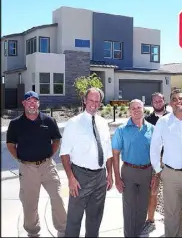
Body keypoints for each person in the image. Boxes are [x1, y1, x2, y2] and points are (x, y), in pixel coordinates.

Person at [6, 91, 66, 237]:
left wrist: (49, 155)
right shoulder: (15, 124)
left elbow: (56, 140)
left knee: (57, 197)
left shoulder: (48, 121)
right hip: (28, 169)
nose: (32, 104)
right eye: (29, 101)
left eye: (35, 101)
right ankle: (33, 232)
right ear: (24, 104)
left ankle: (63, 229)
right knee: (30, 204)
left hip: (47, 166)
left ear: (39, 103)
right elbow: (10, 144)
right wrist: (20, 159)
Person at [60, 87, 113, 237]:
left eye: (97, 101)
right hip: (80, 176)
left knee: (95, 219)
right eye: (91, 100)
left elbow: (108, 151)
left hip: (100, 177)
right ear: (84, 100)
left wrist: (110, 175)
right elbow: (64, 154)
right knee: (74, 219)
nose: (94, 104)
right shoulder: (73, 123)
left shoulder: (103, 123)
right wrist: (71, 178)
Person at [150, 89, 182, 237]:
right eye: (174, 99)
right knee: (172, 214)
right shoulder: (163, 122)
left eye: (181, 98)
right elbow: (155, 146)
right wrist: (159, 170)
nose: (178, 101)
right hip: (171, 175)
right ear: (170, 103)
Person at [112, 99, 155, 237]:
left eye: (139, 107)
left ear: (144, 109)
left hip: (147, 171)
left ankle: (138, 232)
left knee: (142, 206)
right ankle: (129, 234)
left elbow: (155, 154)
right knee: (129, 207)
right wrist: (117, 178)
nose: (136, 110)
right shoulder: (122, 130)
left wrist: (155, 175)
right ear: (129, 111)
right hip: (129, 172)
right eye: (133, 108)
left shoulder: (152, 129)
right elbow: (115, 154)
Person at [142, 92, 170, 235]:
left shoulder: (172, 118)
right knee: (153, 192)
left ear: (164, 101)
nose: (158, 102)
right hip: (155, 163)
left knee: (172, 194)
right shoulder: (147, 120)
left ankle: (172, 223)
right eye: (155, 101)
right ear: (152, 103)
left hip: (171, 161)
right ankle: (150, 220)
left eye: (160, 100)